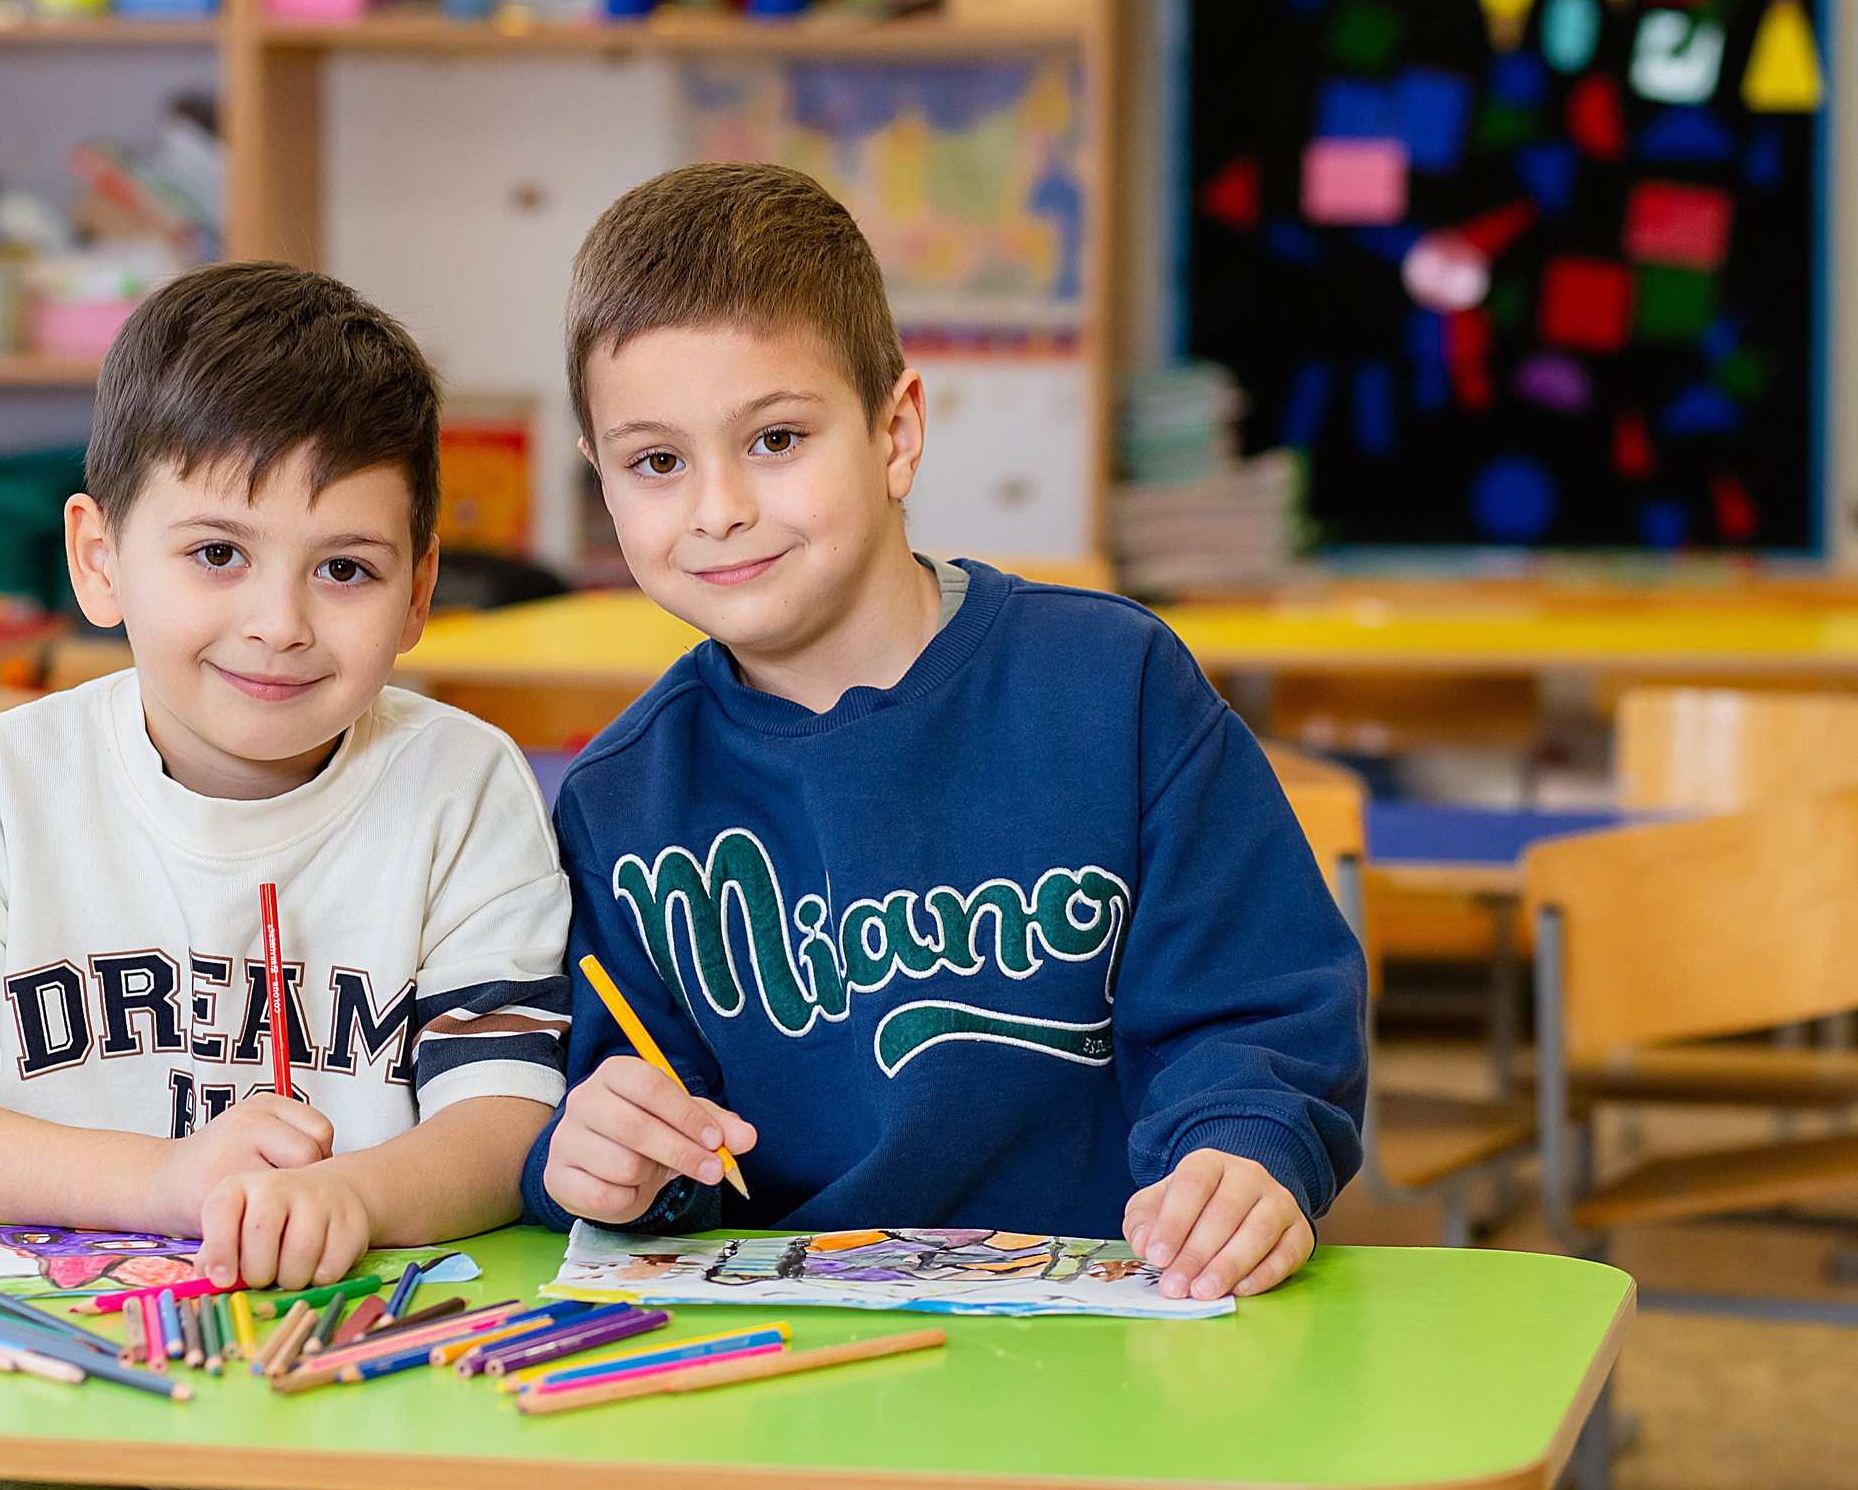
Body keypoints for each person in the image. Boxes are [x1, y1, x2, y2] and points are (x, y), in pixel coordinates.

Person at [0, 261, 569, 1490]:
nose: (276, 622)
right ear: (98, 561)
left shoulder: (463, 787)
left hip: (383, 1405)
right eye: (217, 552)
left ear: (422, 589)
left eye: (345, 570)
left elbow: (506, 1123)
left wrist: (352, 1197)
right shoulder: (0, 783)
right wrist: (163, 1185)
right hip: (53, 1403)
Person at [522, 164, 1366, 1305]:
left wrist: (1239, 1151)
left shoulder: (1109, 685)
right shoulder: (620, 798)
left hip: (1116, 1329)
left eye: (774, 439)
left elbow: (1257, 1007)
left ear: (895, 433)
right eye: (657, 462)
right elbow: (636, 1129)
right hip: (790, 1372)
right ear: (603, 488)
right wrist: (611, 1158)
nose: (716, 507)